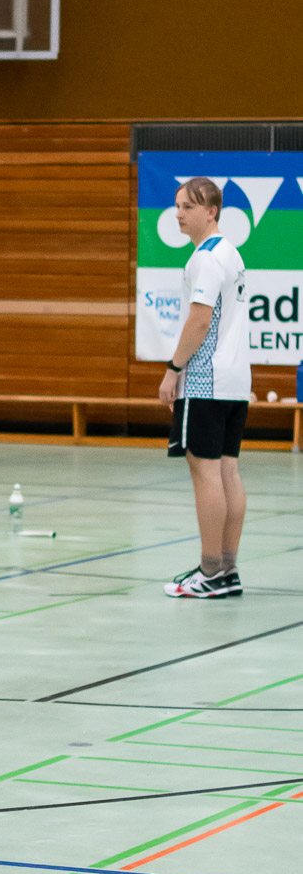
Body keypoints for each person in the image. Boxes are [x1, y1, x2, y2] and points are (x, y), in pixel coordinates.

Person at [158, 176, 250, 598]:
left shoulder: (207, 258)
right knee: (228, 470)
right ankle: (225, 570)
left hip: (206, 381)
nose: (179, 213)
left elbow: (199, 320)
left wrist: (173, 369)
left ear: (211, 211)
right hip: (235, 381)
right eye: (177, 205)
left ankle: (211, 571)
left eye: (188, 207)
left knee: (206, 472)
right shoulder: (231, 253)